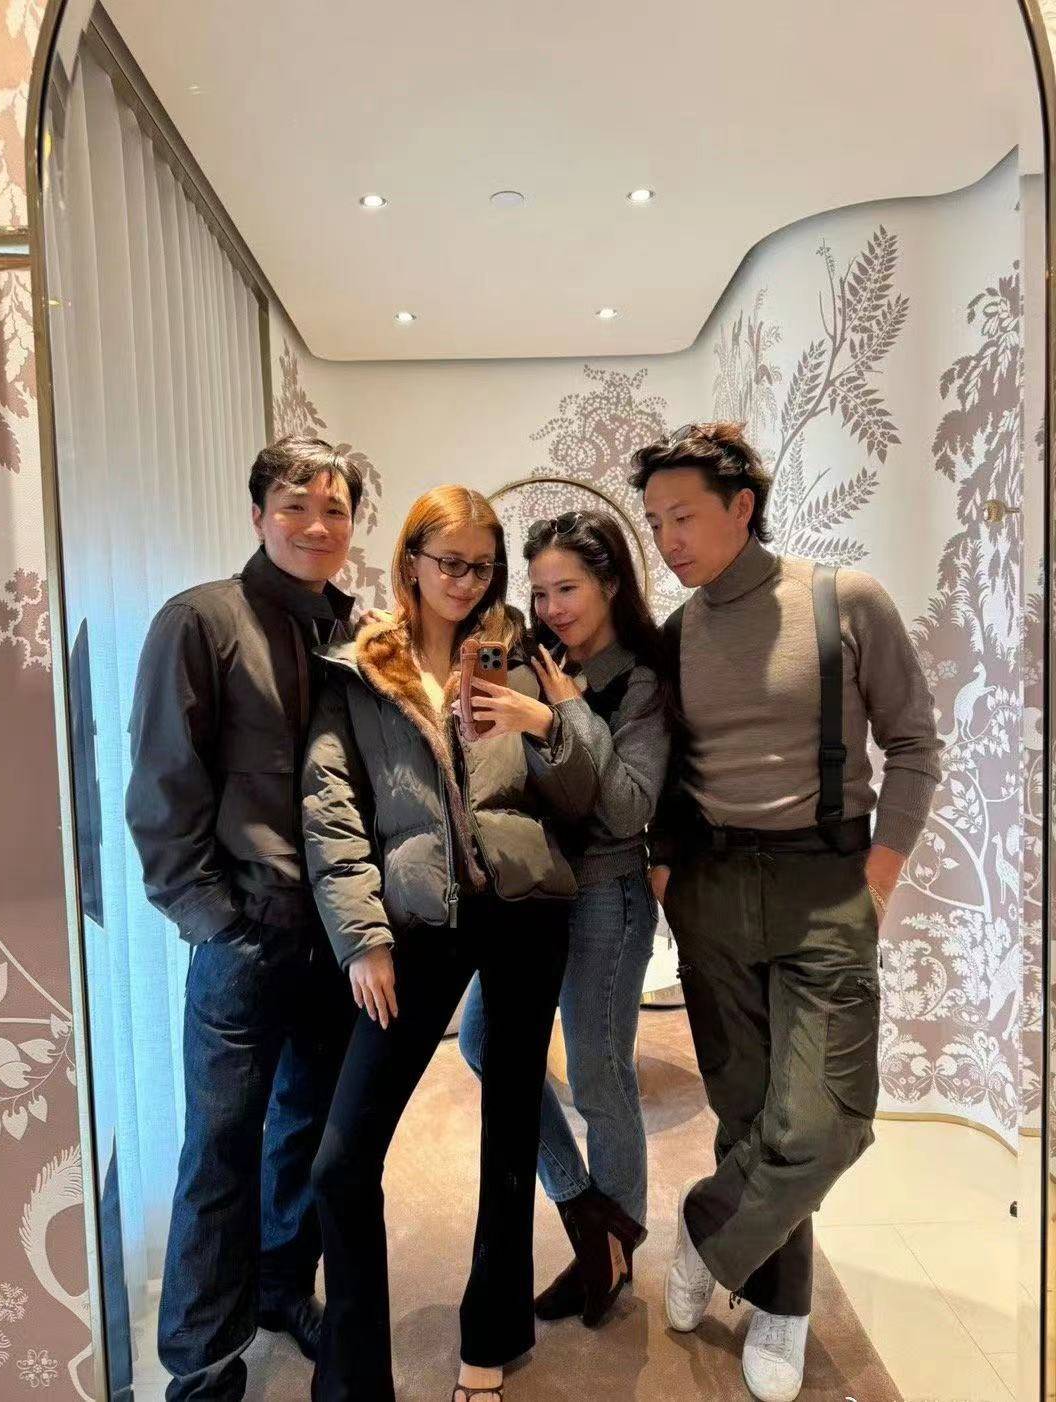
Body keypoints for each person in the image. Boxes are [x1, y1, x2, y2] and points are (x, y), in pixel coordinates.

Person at [631, 422, 941, 1402]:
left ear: (741, 507)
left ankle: (704, 1233)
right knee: (747, 1110)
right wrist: (668, 878)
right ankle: (783, 1305)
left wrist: (879, 879)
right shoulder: (676, 635)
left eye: (683, 517)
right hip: (713, 888)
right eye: (655, 522)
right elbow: (662, 772)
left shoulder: (844, 601)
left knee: (826, 1120)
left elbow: (915, 744)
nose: (668, 540)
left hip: (826, 883)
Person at [303, 485, 600, 1402]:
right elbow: (330, 808)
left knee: (510, 1128)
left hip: (525, 909)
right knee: (342, 1160)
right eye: (450, 563)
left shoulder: (527, 654)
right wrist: (362, 940)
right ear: (411, 562)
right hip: (417, 921)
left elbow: (583, 792)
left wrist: (545, 722)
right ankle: (354, 1381)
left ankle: (491, 1338)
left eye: (483, 566)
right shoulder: (360, 668)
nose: (467, 582)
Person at [125, 436, 363, 1402]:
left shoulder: (352, 631)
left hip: (337, 938)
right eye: (295, 504)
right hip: (247, 937)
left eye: (336, 508)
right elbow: (162, 786)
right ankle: (201, 1362)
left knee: (305, 1132)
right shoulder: (200, 620)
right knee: (219, 1150)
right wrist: (212, 918)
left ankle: (279, 1288)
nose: (316, 524)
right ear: (258, 513)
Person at [459, 509, 671, 1326]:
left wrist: (559, 717)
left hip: (606, 897)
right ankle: (589, 1213)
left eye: (569, 588)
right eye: (540, 591)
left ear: (611, 583)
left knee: (598, 1075)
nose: (551, 607)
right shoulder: (533, 657)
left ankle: (611, 1254)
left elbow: (625, 808)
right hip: (534, 893)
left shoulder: (640, 680)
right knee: (482, 1042)